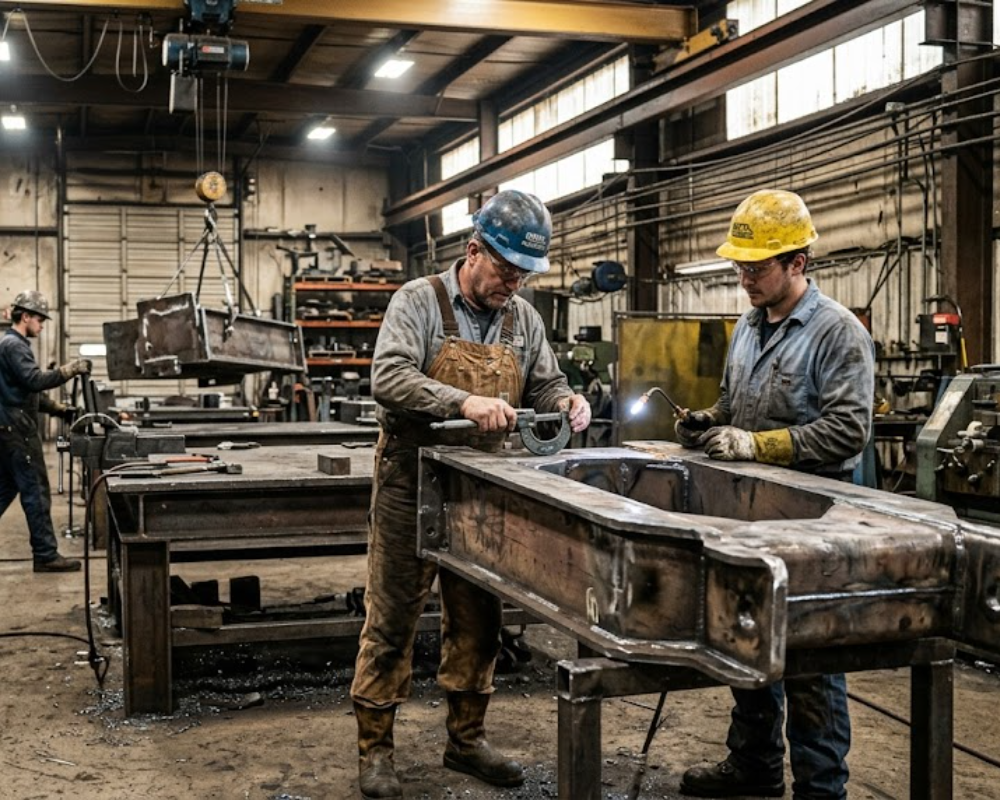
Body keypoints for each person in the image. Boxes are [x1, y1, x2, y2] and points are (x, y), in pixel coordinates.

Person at [350, 189, 591, 800]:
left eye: (522, 274)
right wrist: (461, 401)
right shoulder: (419, 301)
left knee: (479, 621)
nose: (512, 283)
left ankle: (466, 740)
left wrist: (566, 403)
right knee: (393, 617)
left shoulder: (524, 319)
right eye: (505, 269)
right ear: (473, 249)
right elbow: (389, 376)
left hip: (484, 491)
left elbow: (548, 384)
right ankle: (376, 750)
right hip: (413, 478)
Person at [675, 190, 874, 800]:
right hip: (752, 510)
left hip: (818, 518)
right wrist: (710, 421)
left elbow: (848, 431)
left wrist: (757, 447)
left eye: (756, 268)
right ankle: (755, 766)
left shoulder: (837, 334)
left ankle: (821, 788)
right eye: (740, 267)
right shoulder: (749, 327)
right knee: (748, 635)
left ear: (798, 263)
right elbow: (737, 406)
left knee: (811, 658)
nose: (745, 280)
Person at [0, 290, 91, 573]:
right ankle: (45, 554)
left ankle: (44, 551)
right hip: (18, 429)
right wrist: (69, 370)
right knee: (36, 491)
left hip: (8, 425)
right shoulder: (14, 346)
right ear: (25, 316)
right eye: (39, 319)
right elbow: (34, 380)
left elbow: (23, 391)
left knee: (6, 487)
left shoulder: (11, 344)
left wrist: (57, 409)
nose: (42, 325)